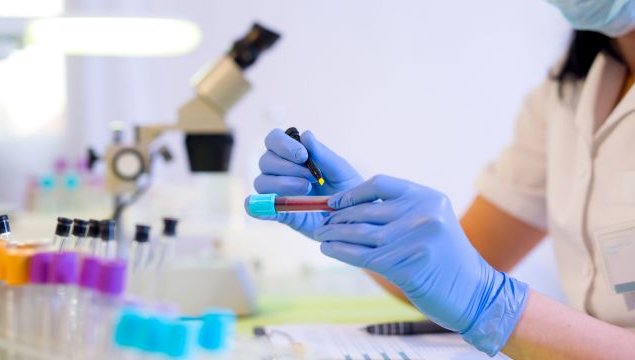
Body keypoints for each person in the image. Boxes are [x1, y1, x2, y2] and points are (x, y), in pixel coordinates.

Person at [248, 1, 635, 358]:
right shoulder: (568, 91)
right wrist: (353, 219)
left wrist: (491, 305)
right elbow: (441, 271)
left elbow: (470, 289)